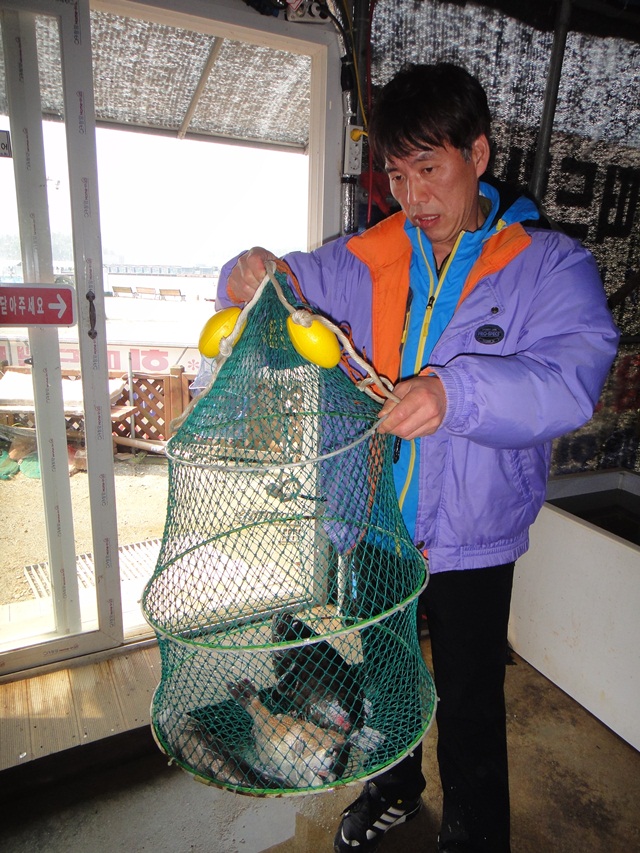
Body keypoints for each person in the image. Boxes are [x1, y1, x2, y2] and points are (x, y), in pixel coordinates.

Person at [216, 63, 619, 853]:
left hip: (473, 534)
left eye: (430, 169)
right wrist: (245, 274)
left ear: (478, 153)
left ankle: (475, 831)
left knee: (470, 697)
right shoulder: (366, 256)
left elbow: (571, 380)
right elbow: (279, 289)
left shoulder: (547, 264)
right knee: (386, 679)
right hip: (374, 524)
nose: (414, 196)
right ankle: (395, 786)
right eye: (398, 175)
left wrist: (453, 392)